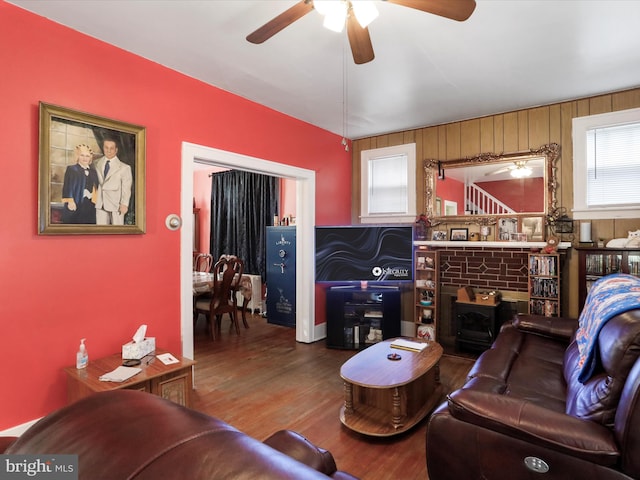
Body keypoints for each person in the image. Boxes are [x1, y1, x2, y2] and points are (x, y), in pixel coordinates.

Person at [94, 136, 132, 225]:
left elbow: (126, 188)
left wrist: (124, 204)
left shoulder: (124, 167)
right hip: (100, 203)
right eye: (106, 148)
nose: (109, 150)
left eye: (111, 148)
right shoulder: (96, 163)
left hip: (116, 205)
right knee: (100, 232)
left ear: (116, 150)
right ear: (103, 148)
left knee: (118, 232)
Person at [61, 144, 99, 224]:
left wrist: (93, 197)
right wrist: (70, 201)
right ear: (78, 156)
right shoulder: (72, 169)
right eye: (82, 155)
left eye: (87, 156)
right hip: (76, 202)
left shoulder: (94, 172)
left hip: (90, 204)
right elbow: (68, 187)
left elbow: (96, 188)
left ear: (90, 158)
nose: (85, 158)